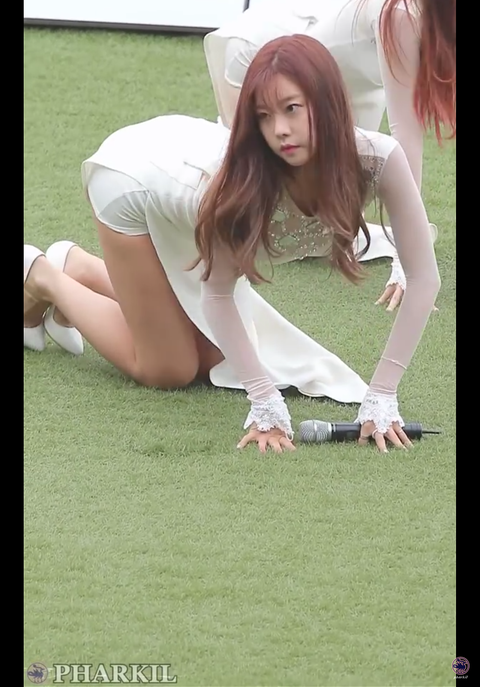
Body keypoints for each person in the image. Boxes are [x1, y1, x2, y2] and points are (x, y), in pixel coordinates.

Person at [24, 35, 440, 454]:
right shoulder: (241, 185)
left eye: (292, 108)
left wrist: (382, 395)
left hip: (184, 188)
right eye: (264, 116)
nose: (279, 130)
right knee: (169, 368)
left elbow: (424, 279)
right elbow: (218, 294)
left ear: (326, 102)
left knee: (213, 359)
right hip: (133, 182)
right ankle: (44, 277)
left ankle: (79, 268)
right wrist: (265, 404)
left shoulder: (379, 159)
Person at [203, 0, 455, 311]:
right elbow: (406, 136)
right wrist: (407, 263)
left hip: (345, 87)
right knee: (244, 190)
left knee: (327, 223)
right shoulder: (405, 12)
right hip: (271, 60)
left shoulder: (439, 6)